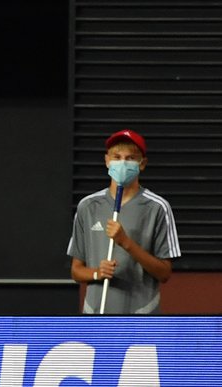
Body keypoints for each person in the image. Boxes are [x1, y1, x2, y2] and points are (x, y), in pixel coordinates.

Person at [67, 129, 180, 314]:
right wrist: (97, 272)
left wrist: (126, 243)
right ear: (107, 161)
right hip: (95, 314)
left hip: (141, 318)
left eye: (130, 158)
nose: (122, 163)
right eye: (117, 157)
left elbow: (164, 273)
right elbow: (76, 270)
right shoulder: (87, 206)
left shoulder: (158, 207)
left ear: (142, 164)